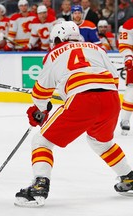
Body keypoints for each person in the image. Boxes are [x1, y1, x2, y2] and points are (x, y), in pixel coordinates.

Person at [14, 21, 133, 207]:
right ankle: (128, 177)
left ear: (58, 39)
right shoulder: (97, 48)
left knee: (41, 141)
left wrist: (40, 110)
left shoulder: (54, 53)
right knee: (101, 141)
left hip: (82, 100)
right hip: (111, 98)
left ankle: (39, 188)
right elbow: (114, 78)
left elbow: (40, 92)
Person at [118, 17, 133, 135]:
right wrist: (128, 57)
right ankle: (125, 120)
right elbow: (124, 45)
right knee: (132, 90)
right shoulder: (129, 24)